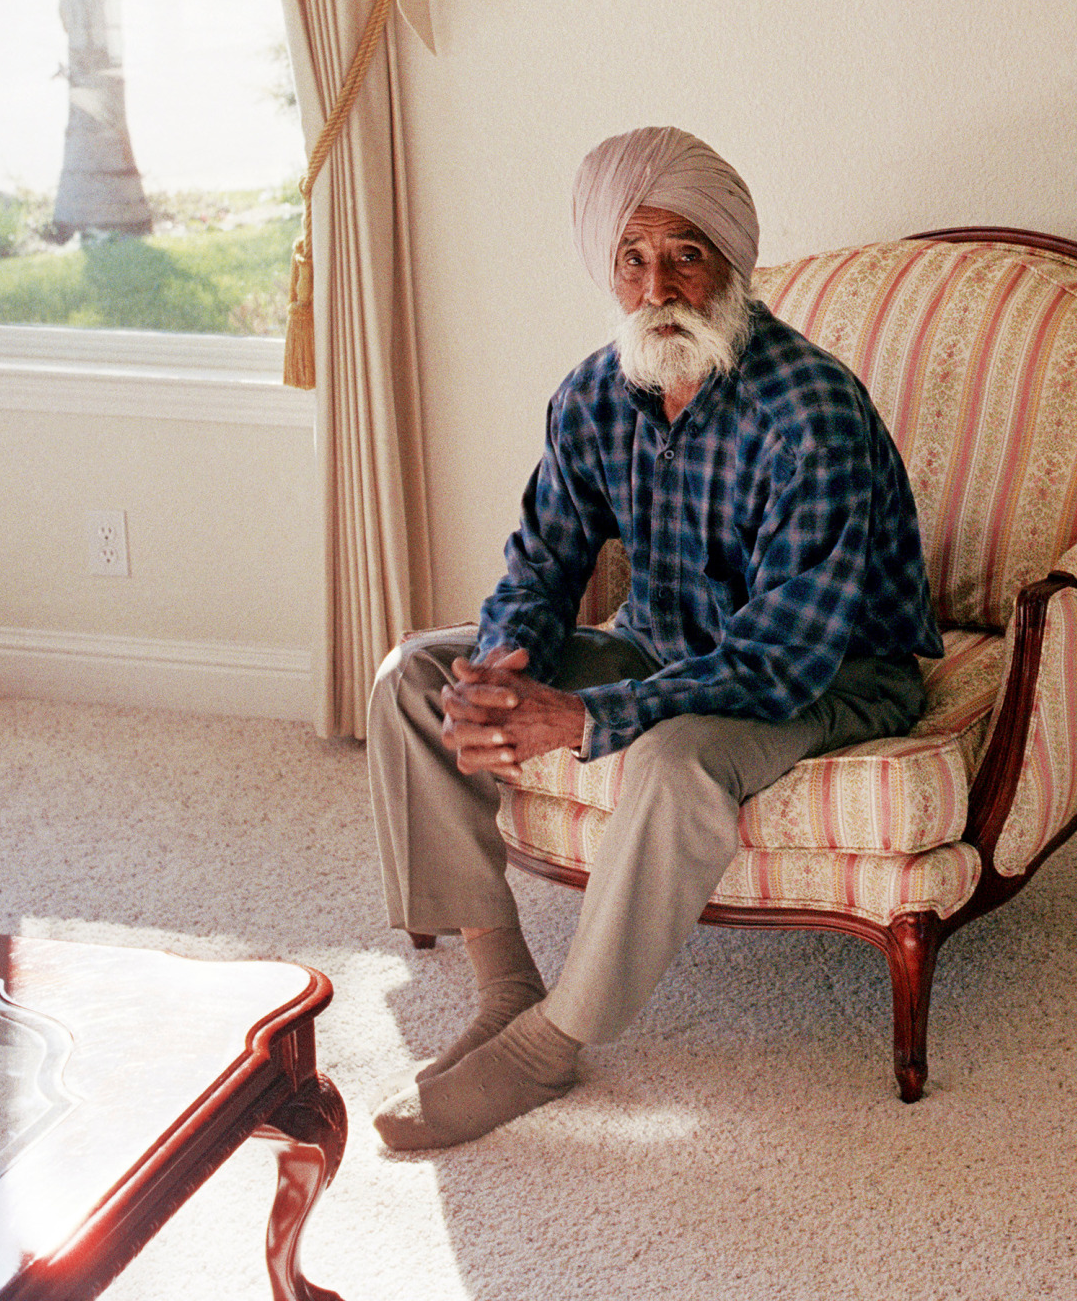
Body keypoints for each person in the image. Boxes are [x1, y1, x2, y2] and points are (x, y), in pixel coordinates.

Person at [365, 126, 943, 1150]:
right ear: (607, 270)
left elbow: (777, 662)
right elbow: (542, 561)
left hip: (832, 675)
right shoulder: (595, 393)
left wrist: (584, 715)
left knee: (676, 758)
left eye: (685, 252)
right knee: (418, 674)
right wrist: (503, 666)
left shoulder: (808, 409)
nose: (658, 284)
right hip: (666, 645)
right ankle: (504, 988)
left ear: (730, 262)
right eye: (632, 258)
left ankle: (549, 1046)